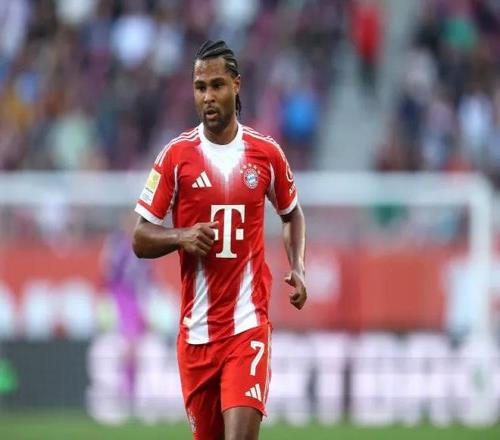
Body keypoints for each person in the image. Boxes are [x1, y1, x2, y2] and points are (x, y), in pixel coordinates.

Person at [133, 39, 307, 440]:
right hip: (196, 337)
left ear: (236, 85)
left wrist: (298, 266)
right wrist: (182, 236)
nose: (208, 96)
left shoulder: (266, 154)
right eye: (200, 87)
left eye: (216, 85)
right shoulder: (176, 157)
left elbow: (292, 213)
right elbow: (140, 237)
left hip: (247, 327)